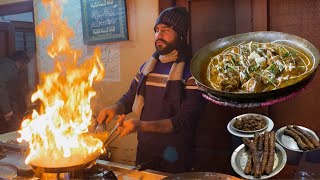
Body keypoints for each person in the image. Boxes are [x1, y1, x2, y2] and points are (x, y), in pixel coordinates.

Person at [97, 7, 205, 173]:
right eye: (156, 30)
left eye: (166, 30)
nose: (158, 35)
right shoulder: (147, 67)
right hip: (145, 153)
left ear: (181, 35)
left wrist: (141, 125)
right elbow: (130, 97)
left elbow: (185, 121)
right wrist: (115, 108)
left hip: (176, 157)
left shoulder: (191, 72)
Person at [0, 51, 29, 133]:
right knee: (9, 135)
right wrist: (7, 110)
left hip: (9, 112)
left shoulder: (9, 68)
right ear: (22, 62)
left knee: (8, 135)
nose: (25, 68)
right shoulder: (7, 67)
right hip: (5, 112)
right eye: (25, 65)